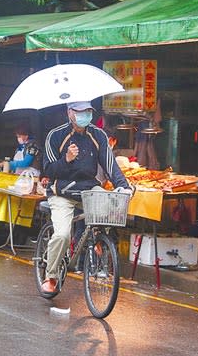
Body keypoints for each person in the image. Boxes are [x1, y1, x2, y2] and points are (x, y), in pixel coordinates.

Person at [40, 101, 134, 294]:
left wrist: (124, 187)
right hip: (62, 192)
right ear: (69, 112)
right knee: (62, 235)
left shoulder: (98, 135)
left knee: (109, 208)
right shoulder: (55, 135)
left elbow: (110, 165)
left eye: (88, 111)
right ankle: (51, 276)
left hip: (89, 190)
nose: (85, 115)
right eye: (80, 111)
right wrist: (66, 160)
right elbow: (48, 170)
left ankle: (99, 242)